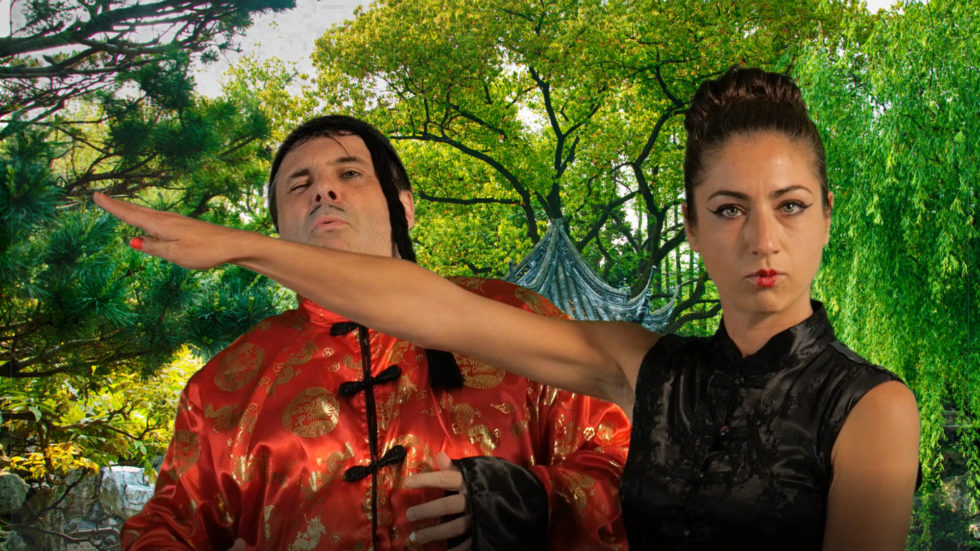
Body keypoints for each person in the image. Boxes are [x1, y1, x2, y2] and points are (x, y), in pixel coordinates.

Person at [96, 68, 921, 550]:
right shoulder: (645, 367)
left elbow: (439, 311)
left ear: (827, 214)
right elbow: (433, 309)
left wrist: (532, 498)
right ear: (694, 226)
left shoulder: (871, 407)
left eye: (791, 205)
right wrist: (240, 246)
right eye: (729, 209)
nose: (763, 240)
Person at [110, 115, 631, 551]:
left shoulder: (515, 319)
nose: (323, 190)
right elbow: (165, 525)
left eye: (350, 173)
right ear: (278, 232)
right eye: (299, 184)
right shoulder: (224, 385)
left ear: (404, 207)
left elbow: (628, 467)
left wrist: (531, 500)